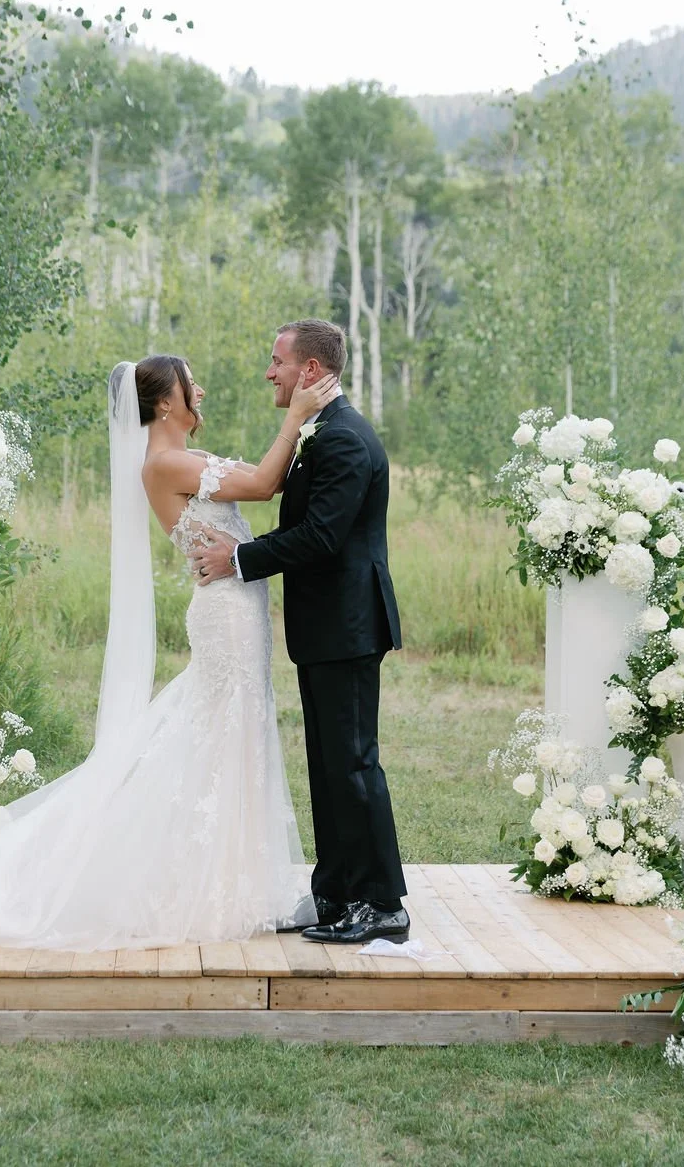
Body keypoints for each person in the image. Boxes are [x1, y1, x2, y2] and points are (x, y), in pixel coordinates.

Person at [0, 356, 335, 950]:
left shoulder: (192, 457)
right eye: (189, 381)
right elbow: (259, 484)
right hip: (224, 614)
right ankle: (200, 882)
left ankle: (236, 878)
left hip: (239, 607)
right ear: (166, 403)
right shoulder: (164, 463)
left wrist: (299, 427)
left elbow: (266, 479)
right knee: (222, 731)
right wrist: (298, 414)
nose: (201, 387)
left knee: (236, 734)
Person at [191, 319, 410, 945]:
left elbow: (321, 536)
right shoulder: (323, 431)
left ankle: (382, 905)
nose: (270, 372)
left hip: (348, 625)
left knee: (353, 764)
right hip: (328, 628)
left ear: (311, 369)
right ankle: (335, 894)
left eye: (277, 361)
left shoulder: (343, 440)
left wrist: (239, 557)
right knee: (330, 764)